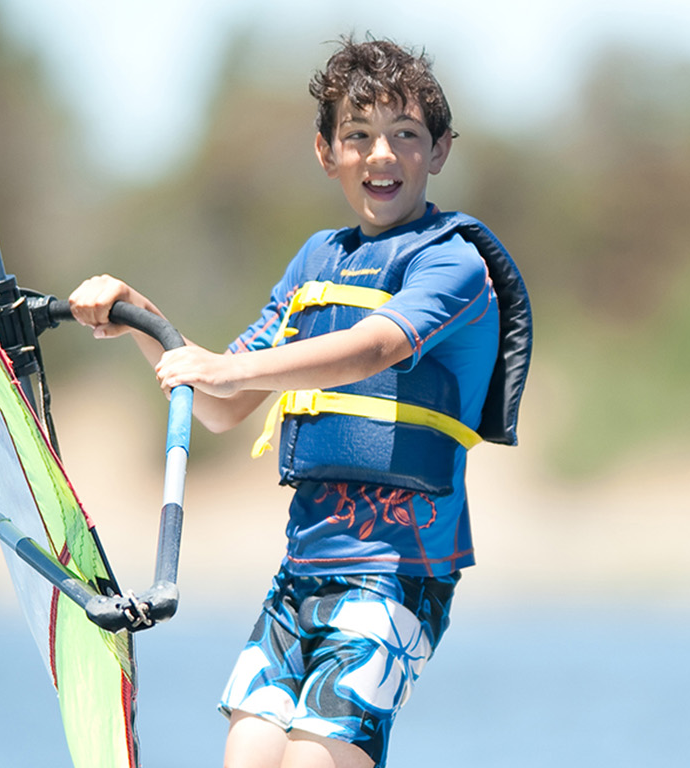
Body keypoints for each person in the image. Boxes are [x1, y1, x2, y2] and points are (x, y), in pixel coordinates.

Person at [69, 36, 530, 768]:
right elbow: (221, 405)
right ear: (326, 152)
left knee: (316, 760)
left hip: (396, 574)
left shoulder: (451, 260)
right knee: (247, 753)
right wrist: (136, 312)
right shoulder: (316, 262)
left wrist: (221, 369)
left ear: (439, 151)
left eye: (405, 135)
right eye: (358, 136)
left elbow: (376, 348)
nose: (381, 154)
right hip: (302, 570)